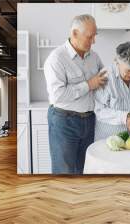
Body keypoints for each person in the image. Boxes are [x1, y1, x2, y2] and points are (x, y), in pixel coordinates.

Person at [43, 14, 107, 174]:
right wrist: (89, 85)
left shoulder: (94, 56)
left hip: (89, 120)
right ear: (74, 34)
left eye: (95, 36)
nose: (93, 41)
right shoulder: (56, 59)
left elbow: (103, 80)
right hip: (64, 122)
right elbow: (58, 95)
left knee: (85, 169)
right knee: (64, 171)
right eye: (89, 37)